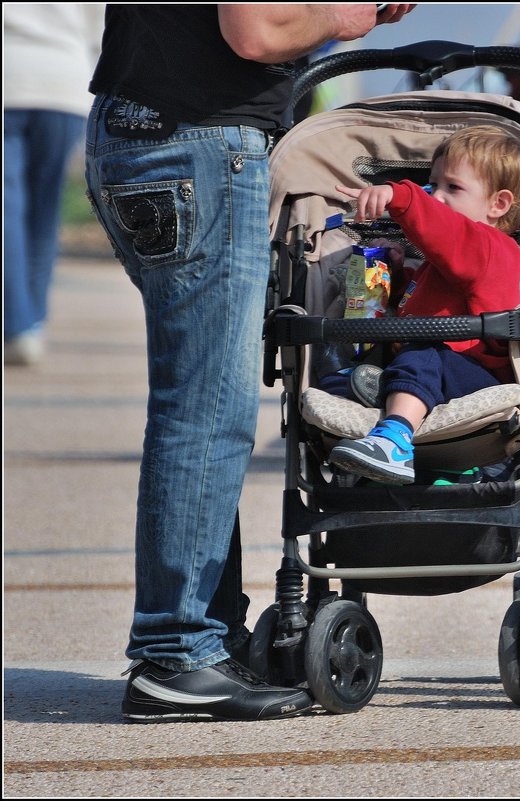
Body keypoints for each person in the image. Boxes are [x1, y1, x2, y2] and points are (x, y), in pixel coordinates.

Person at [84, 3, 415, 723]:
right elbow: (255, 30)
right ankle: (176, 652)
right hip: (199, 142)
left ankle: (207, 634)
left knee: (196, 397)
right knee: (206, 409)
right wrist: (346, 18)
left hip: (147, 131)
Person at [326, 124, 520, 485]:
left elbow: (445, 232)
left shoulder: (491, 248)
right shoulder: (444, 263)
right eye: (433, 185)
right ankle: (375, 391)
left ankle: (395, 439)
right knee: (343, 379)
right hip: (432, 366)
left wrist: (403, 197)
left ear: (497, 204)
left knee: (422, 354)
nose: (436, 196)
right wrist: (394, 274)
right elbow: (424, 301)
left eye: (452, 187)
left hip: (472, 374)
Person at [3, 4, 105, 366]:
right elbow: (100, 25)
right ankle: (32, 321)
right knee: (45, 210)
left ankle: (15, 325)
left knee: (7, 209)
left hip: (8, 76)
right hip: (64, 81)